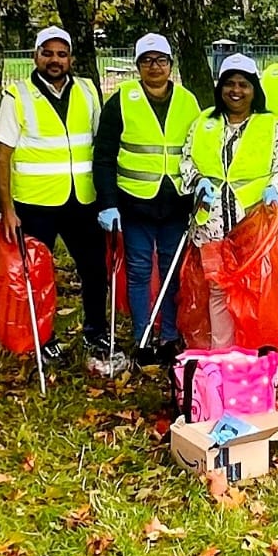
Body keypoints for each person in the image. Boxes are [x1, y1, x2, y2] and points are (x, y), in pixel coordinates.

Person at [0, 27, 117, 373]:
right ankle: (43, 338)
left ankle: (95, 332)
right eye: (48, 53)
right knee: (39, 276)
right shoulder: (18, 96)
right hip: (36, 203)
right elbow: (2, 155)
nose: (55, 60)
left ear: (71, 59)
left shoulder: (88, 91)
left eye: (62, 54)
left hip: (82, 200)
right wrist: (7, 209)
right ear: (36, 57)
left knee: (93, 269)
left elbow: (99, 145)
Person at [93, 33, 201, 365]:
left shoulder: (188, 101)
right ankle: (143, 337)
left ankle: (169, 337)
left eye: (161, 61)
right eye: (147, 61)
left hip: (176, 203)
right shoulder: (122, 100)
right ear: (138, 66)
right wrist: (107, 202)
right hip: (134, 201)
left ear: (171, 65)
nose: (155, 67)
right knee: (139, 271)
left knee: (171, 271)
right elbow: (105, 155)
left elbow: (198, 150)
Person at [179, 53, 278, 349]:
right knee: (217, 288)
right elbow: (187, 160)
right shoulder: (203, 121)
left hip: (252, 221)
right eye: (230, 83)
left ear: (254, 88)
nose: (236, 91)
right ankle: (222, 351)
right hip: (212, 221)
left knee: (253, 287)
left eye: (244, 84)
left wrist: (275, 189)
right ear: (220, 88)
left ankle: (252, 349)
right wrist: (197, 181)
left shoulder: (271, 125)